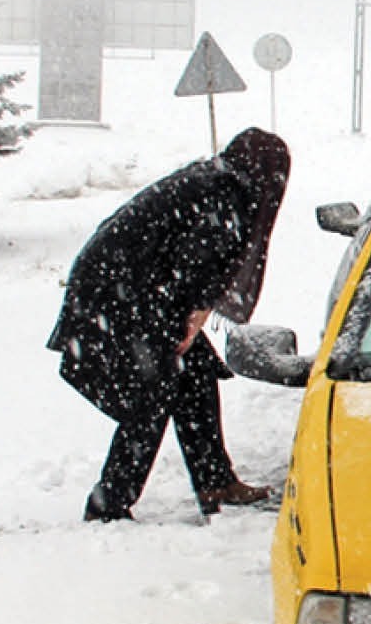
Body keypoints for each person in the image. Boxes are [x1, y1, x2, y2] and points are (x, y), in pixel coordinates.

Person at [48, 127, 292, 523]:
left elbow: (184, 261)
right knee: (154, 390)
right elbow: (192, 265)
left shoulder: (215, 182)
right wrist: (191, 314)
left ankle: (216, 482)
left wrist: (190, 312)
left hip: (129, 293)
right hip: (119, 298)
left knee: (195, 374)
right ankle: (109, 504)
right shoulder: (221, 195)